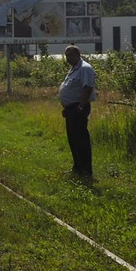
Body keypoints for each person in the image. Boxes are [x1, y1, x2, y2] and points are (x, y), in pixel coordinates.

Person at [58, 45, 96, 178]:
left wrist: (80, 107)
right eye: (66, 55)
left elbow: (87, 88)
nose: (68, 58)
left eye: (70, 55)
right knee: (73, 139)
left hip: (79, 108)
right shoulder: (74, 69)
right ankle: (77, 167)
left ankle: (86, 170)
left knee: (81, 140)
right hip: (71, 109)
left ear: (78, 54)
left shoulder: (85, 68)